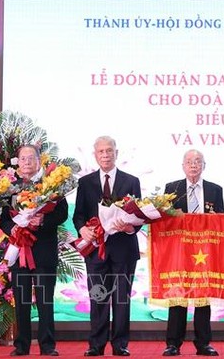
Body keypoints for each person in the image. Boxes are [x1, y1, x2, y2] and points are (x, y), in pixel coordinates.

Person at [73, 136, 142, 357]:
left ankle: (120, 344)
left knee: (122, 298)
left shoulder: (132, 181)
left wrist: (130, 228)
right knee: (98, 297)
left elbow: (139, 216)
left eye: (109, 150)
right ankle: (96, 344)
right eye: (101, 151)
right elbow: (79, 216)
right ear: (95, 155)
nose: (105, 155)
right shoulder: (85, 183)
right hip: (96, 249)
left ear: (116, 153)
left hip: (124, 248)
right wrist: (83, 229)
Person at [0, 145, 68, 356]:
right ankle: (22, 346)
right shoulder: (10, 188)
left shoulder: (51, 186)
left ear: (39, 161)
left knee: (45, 301)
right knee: (21, 301)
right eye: (23, 158)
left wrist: (43, 219)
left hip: (44, 252)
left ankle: (48, 345)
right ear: (18, 162)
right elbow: (3, 220)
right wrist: (15, 228)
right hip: (20, 251)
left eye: (31, 158)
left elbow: (62, 214)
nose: (27, 162)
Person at [162, 149, 224, 357]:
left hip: (204, 252)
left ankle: (203, 344)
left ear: (204, 166)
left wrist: (215, 219)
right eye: (189, 161)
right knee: (178, 297)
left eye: (198, 161)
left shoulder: (215, 190)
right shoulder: (172, 188)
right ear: (183, 166)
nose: (193, 165)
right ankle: (173, 344)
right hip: (179, 252)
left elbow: (222, 222)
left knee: (202, 298)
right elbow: (164, 222)